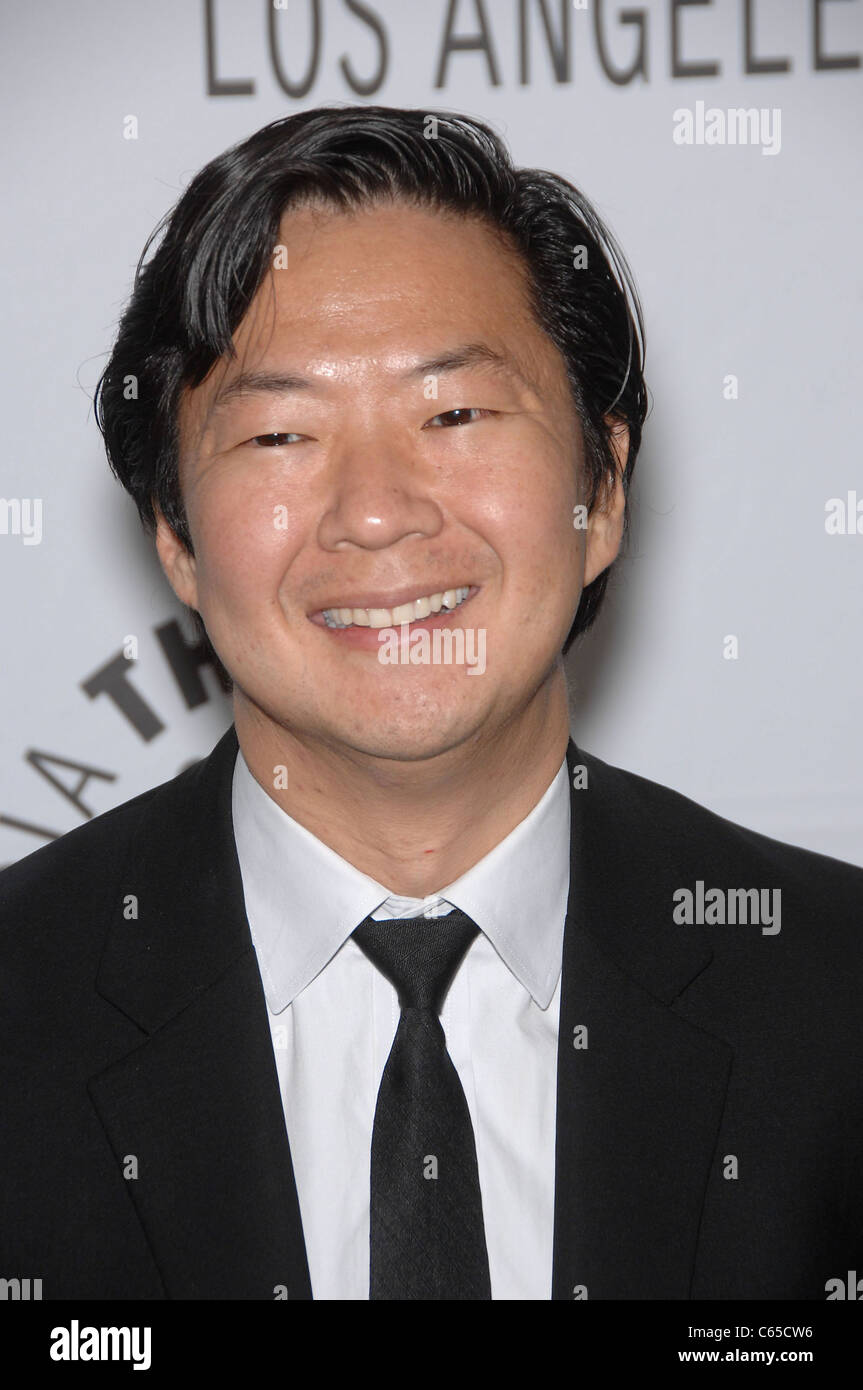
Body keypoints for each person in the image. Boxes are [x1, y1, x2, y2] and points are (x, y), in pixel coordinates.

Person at [1, 105, 860, 1302]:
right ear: (177, 540)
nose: (375, 510)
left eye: (452, 414)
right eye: (280, 432)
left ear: (600, 489)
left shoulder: (832, 997)